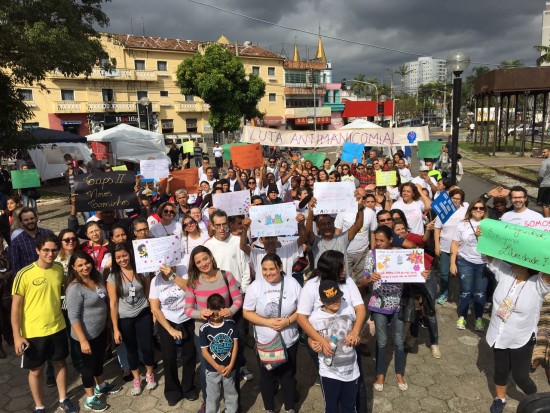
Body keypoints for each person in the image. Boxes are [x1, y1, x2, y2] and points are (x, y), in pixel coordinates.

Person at [11, 234, 78, 413]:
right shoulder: (23, 274)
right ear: (37, 250)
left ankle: (63, 398)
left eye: (54, 250)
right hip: (33, 332)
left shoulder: (58, 269)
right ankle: (39, 406)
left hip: (57, 326)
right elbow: (15, 307)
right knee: (36, 371)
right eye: (46, 250)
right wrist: (17, 336)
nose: (50, 253)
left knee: (60, 363)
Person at [483, 258, 550, 413]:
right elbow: (490, 256)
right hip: (499, 334)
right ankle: (500, 399)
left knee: (521, 377)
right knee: (500, 371)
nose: (512, 259)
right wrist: (483, 234)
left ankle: (536, 400)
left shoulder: (538, 284)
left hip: (521, 337)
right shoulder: (505, 271)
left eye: (518, 258)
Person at [184, 245, 243, 413]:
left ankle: (234, 403)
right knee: (207, 369)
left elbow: (238, 299)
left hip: (226, 332)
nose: (203, 263)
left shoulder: (226, 276)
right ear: (194, 265)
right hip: (203, 332)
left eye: (205, 258)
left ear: (211, 257)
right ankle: (209, 402)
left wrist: (230, 310)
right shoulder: (192, 282)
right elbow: (187, 309)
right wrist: (200, 313)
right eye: (198, 262)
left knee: (231, 367)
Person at [243, 253, 302, 413]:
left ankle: (290, 407)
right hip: (265, 342)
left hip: (288, 340)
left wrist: (288, 321)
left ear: (280, 268)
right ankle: (269, 408)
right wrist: (267, 322)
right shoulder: (256, 286)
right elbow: (247, 312)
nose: (268, 273)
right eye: (264, 269)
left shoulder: (292, 284)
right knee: (267, 375)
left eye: (272, 269)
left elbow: (302, 310)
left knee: (288, 375)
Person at [65, 250, 120, 411]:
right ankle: (89, 398)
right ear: (74, 268)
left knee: (98, 360)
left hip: (100, 330)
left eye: (86, 263)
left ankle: (101, 385)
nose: (84, 267)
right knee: (88, 367)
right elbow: (73, 317)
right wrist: (83, 340)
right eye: (79, 265)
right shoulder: (74, 288)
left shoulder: (95, 278)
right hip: (85, 335)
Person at [362, 226, 410, 392]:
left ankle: (399, 373)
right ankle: (380, 373)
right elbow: (363, 279)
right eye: (376, 240)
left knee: (398, 341)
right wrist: (369, 278)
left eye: (382, 240)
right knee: (381, 341)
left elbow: (412, 272)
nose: (378, 243)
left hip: (397, 303)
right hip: (378, 303)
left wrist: (421, 273)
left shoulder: (400, 254)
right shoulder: (372, 254)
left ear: (390, 240)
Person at [106, 243, 157, 396]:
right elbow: (113, 304)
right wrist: (115, 328)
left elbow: (149, 293)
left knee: (147, 346)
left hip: (143, 314)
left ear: (130, 254)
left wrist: (153, 313)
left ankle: (149, 374)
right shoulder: (113, 277)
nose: (122, 259)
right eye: (118, 257)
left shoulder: (141, 270)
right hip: (125, 318)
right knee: (131, 350)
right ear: (115, 259)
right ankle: (136, 379)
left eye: (125, 255)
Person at [149, 263, 198, 406]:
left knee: (189, 355)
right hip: (167, 321)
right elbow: (155, 308)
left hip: (187, 318)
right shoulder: (155, 280)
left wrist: (172, 274)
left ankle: (188, 388)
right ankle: (172, 391)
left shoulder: (183, 270)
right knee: (168, 357)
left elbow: (191, 290)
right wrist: (170, 329)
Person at [308, 280, 359, 413]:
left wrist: (356, 336)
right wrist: (312, 343)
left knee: (350, 406)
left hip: (351, 370)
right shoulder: (315, 317)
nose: (335, 302)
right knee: (331, 407)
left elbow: (354, 330)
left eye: (337, 298)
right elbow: (309, 337)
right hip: (329, 372)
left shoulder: (348, 308)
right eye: (330, 301)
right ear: (321, 301)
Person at [450, 200, 488, 331]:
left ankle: (478, 318)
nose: (478, 210)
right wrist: (452, 263)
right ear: (470, 210)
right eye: (475, 208)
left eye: (481, 207)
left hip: (483, 263)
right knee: (465, 291)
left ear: (485, 210)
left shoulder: (489, 224)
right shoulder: (462, 224)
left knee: (480, 293)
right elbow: (455, 244)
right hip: (465, 261)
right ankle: (462, 316)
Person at [199, 293, 239, 413]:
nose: (215, 317)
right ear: (208, 311)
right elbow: (204, 352)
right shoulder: (204, 329)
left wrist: (231, 365)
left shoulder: (231, 324)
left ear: (223, 309)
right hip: (212, 369)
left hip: (229, 368)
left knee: (231, 394)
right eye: (213, 314)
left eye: (218, 314)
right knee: (212, 396)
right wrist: (217, 366)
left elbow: (235, 345)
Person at [434, 188, 468, 304]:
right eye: (453, 198)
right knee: (444, 273)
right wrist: (437, 246)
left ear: (462, 200)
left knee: (462, 274)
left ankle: (464, 295)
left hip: (461, 249)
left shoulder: (465, 212)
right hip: (445, 247)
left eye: (458, 199)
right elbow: (437, 229)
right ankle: (444, 293)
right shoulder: (444, 211)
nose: (456, 201)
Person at [9, 207, 55, 274]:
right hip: (29, 277)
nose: (30, 221)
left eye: (32, 218)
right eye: (26, 220)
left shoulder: (48, 234)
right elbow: (16, 265)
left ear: (36, 218)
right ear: (21, 222)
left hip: (50, 272)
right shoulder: (17, 241)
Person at [537, 147, 550, 218]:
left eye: (544, 152)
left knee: (545, 204)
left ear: (549, 152)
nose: (543, 154)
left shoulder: (545, 162)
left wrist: (538, 183)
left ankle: (547, 222)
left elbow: (541, 175)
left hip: (545, 185)